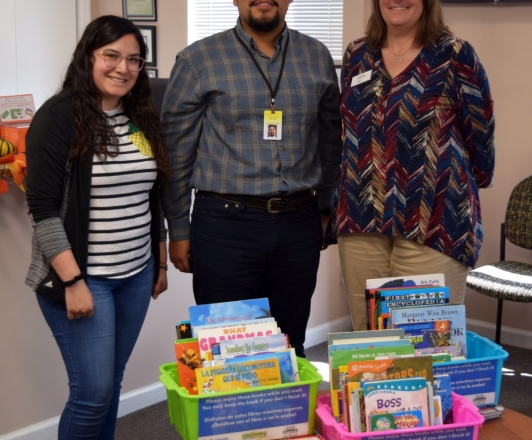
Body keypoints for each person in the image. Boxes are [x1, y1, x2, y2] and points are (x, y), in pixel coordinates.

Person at [161, 0, 342, 356]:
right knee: (228, 352)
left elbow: (330, 139)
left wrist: (325, 207)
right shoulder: (199, 60)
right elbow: (176, 151)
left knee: (290, 346)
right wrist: (178, 228)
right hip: (226, 225)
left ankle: (289, 413)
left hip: (299, 224)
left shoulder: (317, 56)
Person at [25, 15, 170, 439]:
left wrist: (158, 263)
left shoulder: (142, 117)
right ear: (89, 56)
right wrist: (72, 280)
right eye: (111, 55)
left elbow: (153, 195)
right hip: (85, 278)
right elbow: (43, 210)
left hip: (136, 275)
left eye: (134, 60)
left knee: (111, 385)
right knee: (91, 394)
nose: (122, 68)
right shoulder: (59, 118)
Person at [328, 0, 495, 331]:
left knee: (423, 351)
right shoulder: (357, 55)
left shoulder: (456, 55)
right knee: (371, 350)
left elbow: (481, 139)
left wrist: (444, 182)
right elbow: (346, 131)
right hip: (362, 220)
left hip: (434, 221)